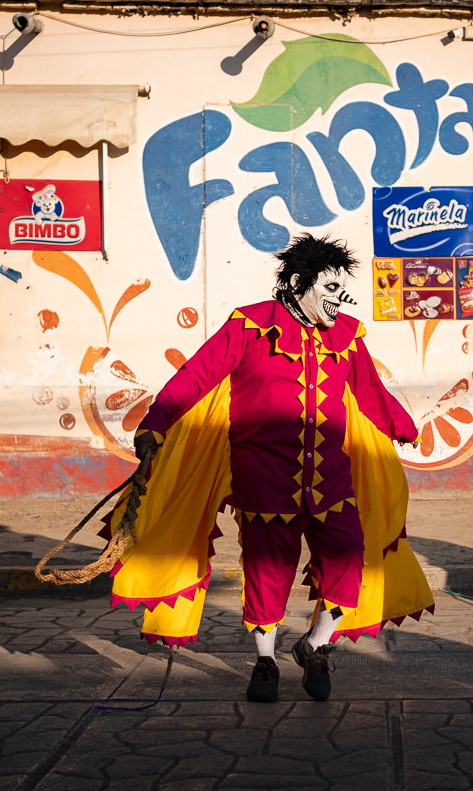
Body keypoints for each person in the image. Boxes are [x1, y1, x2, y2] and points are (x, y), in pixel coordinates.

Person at [106, 233, 433, 702]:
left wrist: (400, 424)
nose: (341, 300)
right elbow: (195, 376)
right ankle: (264, 662)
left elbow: (370, 391)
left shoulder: (346, 337)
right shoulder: (250, 327)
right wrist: (154, 425)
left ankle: (315, 646)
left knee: (349, 563)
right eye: (331, 289)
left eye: (344, 289)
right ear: (300, 283)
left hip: (331, 485)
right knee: (267, 573)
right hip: (264, 482)